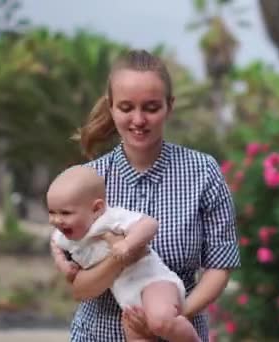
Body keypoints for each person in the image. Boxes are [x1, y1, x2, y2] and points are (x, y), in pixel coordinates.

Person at [49, 49, 240, 341]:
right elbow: (79, 288)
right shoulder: (85, 183)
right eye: (126, 108)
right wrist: (121, 255)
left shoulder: (203, 172)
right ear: (111, 108)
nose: (138, 119)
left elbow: (219, 265)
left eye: (151, 107)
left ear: (169, 107)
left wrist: (169, 319)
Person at [48, 165, 200, 342]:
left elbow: (149, 224)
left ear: (96, 209)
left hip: (153, 282)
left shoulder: (110, 218)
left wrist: (129, 243)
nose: (57, 220)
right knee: (135, 335)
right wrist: (63, 265)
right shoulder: (66, 234)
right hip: (127, 300)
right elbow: (55, 243)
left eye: (65, 213)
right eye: (52, 212)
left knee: (160, 321)